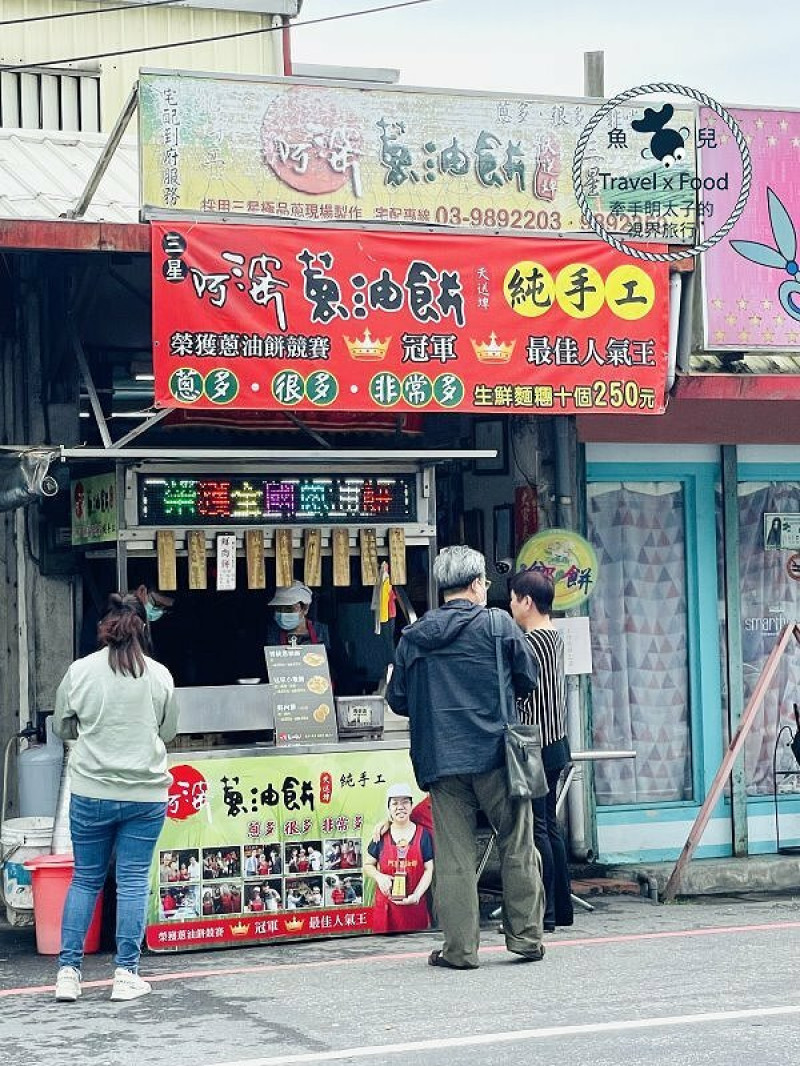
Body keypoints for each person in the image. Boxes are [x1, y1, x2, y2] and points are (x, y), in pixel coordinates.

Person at [387, 545, 544, 970]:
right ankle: (526, 939)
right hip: (497, 755)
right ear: (477, 584)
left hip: (441, 758)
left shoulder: (413, 638)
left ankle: (459, 950)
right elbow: (527, 679)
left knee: (454, 857)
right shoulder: (499, 625)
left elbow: (398, 701)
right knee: (517, 843)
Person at [53, 592, 178, 1002]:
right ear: (142, 626)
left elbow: (62, 727)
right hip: (145, 796)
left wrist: (90, 736)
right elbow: (168, 732)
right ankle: (126, 974)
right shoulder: (159, 675)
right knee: (132, 881)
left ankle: (68, 974)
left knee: (86, 879)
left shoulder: (79, 671)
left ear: (105, 625)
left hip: (90, 791)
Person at [510, 568, 574, 933]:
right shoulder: (554, 637)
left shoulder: (530, 643)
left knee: (538, 829)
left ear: (527, 601)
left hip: (535, 742)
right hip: (556, 740)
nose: (511, 606)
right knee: (549, 827)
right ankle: (561, 909)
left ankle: (546, 912)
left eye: (514, 599)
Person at [364, 783, 434, 934]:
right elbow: (368, 864)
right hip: (386, 909)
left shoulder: (423, 835)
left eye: (405, 802)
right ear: (388, 808)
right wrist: (379, 876)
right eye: (395, 803)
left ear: (411, 806)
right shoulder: (381, 836)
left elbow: (429, 868)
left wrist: (417, 895)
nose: (400, 807)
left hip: (415, 907)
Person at [265, 581, 331, 650]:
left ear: (305, 608)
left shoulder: (324, 632)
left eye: (289, 609)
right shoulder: (270, 634)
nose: (282, 614)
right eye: (278, 608)